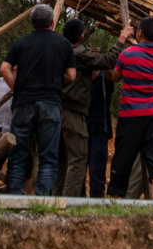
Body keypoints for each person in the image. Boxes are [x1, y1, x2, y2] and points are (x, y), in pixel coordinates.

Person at [0, 4, 76, 196]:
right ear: (52, 22)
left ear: (32, 23)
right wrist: (56, 81)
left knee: (18, 155)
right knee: (48, 157)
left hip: (23, 104)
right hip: (50, 103)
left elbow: (4, 69)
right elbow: (71, 75)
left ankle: (14, 200)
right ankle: (42, 200)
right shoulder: (63, 44)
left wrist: (18, 88)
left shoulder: (20, 43)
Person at [53, 19, 129, 197]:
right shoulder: (79, 53)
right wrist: (122, 38)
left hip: (56, 111)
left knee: (61, 161)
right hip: (72, 113)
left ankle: (55, 200)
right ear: (81, 36)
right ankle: (69, 202)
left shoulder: (57, 51)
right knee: (79, 158)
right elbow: (110, 59)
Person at [106, 16, 153, 199]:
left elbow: (115, 77)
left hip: (131, 115)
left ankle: (115, 200)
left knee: (123, 158)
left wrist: (125, 43)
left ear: (139, 32)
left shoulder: (127, 54)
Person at [86, 70, 114, 198]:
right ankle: (77, 201)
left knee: (97, 172)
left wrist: (103, 62)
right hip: (79, 128)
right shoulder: (81, 77)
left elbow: (112, 77)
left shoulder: (104, 79)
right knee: (78, 171)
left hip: (99, 129)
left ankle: (97, 202)